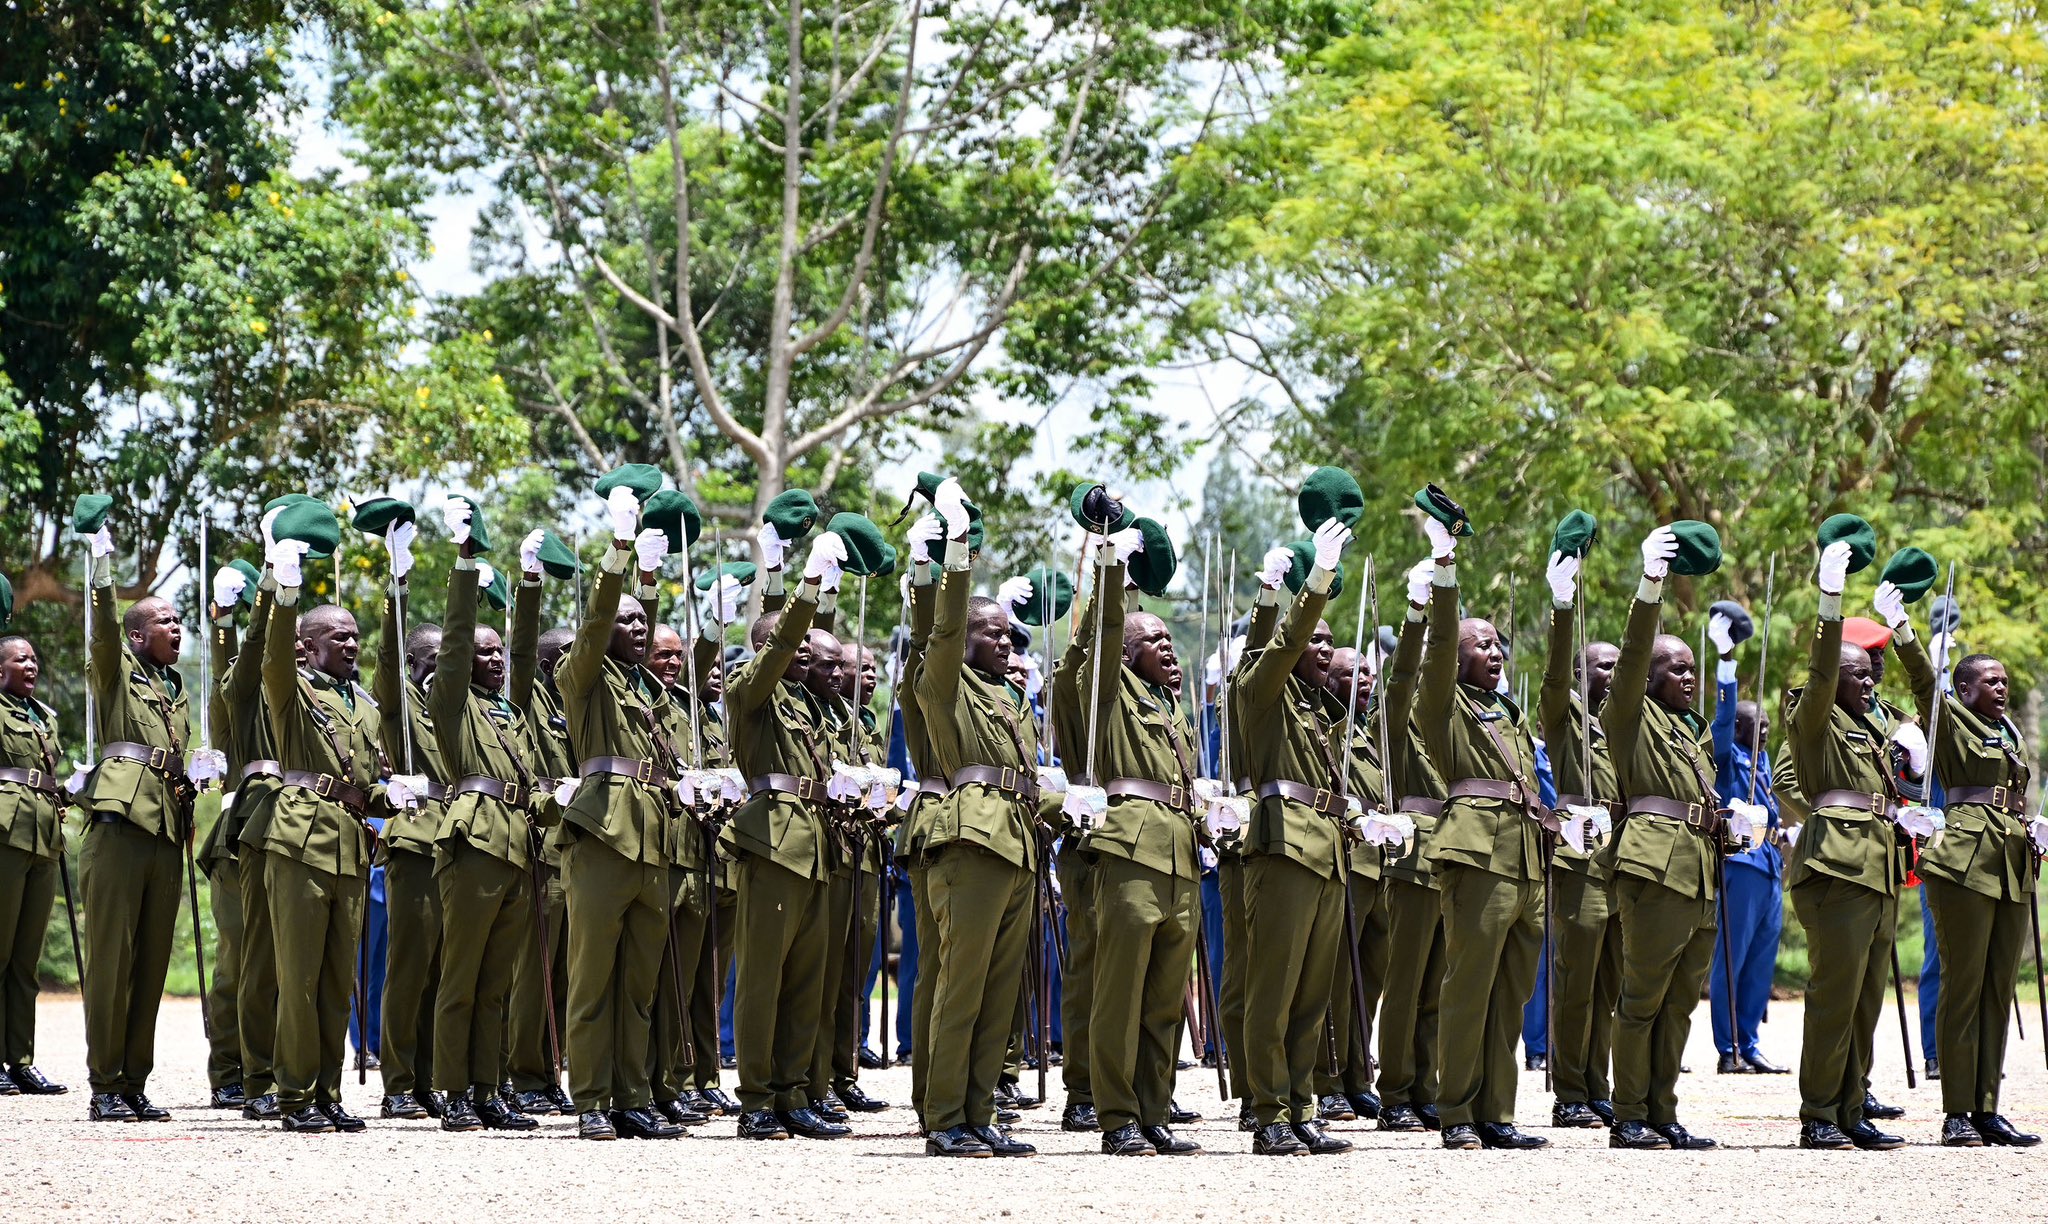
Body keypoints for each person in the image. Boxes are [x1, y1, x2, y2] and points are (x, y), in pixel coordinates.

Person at [1598, 526, 1750, 1151]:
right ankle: (1628, 1113)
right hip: (1654, 867)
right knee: (1642, 997)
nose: (1689, 677)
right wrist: (1650, 585)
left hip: (1701, 869)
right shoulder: (1629, 714)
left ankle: (1662, 1110)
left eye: (1693, 668)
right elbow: (1632, 657)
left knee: (1681, 1000)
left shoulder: (1689, 733)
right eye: (1677, 668)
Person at [1882, 582, 2040, 1148]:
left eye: (2004, 681)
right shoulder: (1949, 721)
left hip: (2011, 859)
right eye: (1989, 681)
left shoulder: (2009, 734)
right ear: (1964, 688)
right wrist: (1904, 631)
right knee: (1963, 986)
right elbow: (1926, 682)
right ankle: (1956, 1111)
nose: (2000, 688)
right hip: (1966, 861)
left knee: (1999, 986)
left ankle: (1988, 1107)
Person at [913, 477, 1045, 1158]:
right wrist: (957, 548)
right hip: (970, 835)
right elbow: (942, 623)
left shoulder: (1009, 698)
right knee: (961, 987)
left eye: (1008, 634)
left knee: (999, 995)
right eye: (989, 633)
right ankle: (943, 1119)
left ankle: (979, 1110)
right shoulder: (944, 682)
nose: (1004, 642)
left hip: (1017, 841)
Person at [553, 496, 684, 1142]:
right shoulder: (584, 679)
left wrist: (649, 579)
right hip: (602, 832)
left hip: (649, 839)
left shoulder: (644, 690)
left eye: (644, 624)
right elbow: (605, 616)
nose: (637, 630)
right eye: (624, 624)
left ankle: (633, 1094)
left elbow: (640, 617)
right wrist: (619, 553)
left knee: (639, 981)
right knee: (593, 976)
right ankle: (593, 1097)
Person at [1414, 514, 1547, 1151]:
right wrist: (1445, 575)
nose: (1492, 654)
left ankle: (1498, 1111)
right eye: (1481, 645)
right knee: (1468, 987)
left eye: (1497, 645)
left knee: (1511, 993)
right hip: (1476, 851)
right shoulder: (1443, 706)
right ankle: (1457, 1112)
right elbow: (1438, 654)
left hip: (1525, 856)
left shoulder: (1509, 713)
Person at [1783, 537, 1912, 1151]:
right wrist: (1830, 599)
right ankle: (1818, 1113)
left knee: (1866, 998)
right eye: (1854, 676)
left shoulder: (1875, 726)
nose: (1866, 685)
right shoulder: (1815, 722)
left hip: (1881, 865)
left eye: (1869, 676)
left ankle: (1852, 1104)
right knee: (1836, 994)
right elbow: (1821, 671)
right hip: (1837, 865)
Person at [1074, 549, 1203, 1157]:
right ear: (1126, 655)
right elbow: (1098, 639)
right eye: (1154, 640)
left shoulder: (1171, 708)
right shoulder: (1110, 691)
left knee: (1163, 998)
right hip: (1129, 847)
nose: (1169, 648)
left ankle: (1155, 1110)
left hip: (1180, 853)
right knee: (1119, 993)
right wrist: (1110, 574)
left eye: (1171, 639)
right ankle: (1117, 1114)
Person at [427, 514, 553, 1133]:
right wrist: (464, 566)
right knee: (463, 974)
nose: (497, 660)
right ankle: (452, 1088)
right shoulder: (453, 703)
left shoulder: (509, 708)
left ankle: (488, 1086)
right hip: (473, 836)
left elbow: (525, 650)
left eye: (497, 650)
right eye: (486, 653)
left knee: (498, 977)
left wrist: (528, 584)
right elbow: (452, 646)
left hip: (515, 841)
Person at [1234, 520, 1355, 1156]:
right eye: (1317, 641)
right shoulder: (1262, 696)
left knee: (1312, 992)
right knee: (1274, 989)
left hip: (1327, 849)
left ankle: (1301, 1103)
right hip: (1283, 846)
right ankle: (1267, 1109)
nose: (1326, 650)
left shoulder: (1318, 710)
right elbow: (1273, 653)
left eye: (1332, 643)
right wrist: (1309, 587)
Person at [723, 525, 846, 1141]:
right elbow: (774, 649)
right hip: (772, 842)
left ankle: (796, 1092)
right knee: (764, 979)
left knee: (805, 980)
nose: (803, 657)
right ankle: (755, 1097)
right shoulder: (750, 691)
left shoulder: (807, 706)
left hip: (815, 844)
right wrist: (799, 588)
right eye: (792, 649)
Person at [260, 531, 386, 1133]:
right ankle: (293, 1093)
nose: (352, 644)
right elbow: (272, 658)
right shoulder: (292, 690)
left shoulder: (364, 705)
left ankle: (329, 1091)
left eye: (356, 636)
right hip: (302, 837)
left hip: (351, 843)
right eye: (340, 636)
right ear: (308, 647)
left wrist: (394, 795)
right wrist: (285, 589)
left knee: (340, 980)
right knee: (300, 977)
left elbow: (371, 775)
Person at [78, 512, 191, 1123]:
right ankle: (103, 1082)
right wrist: (101, 569)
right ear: (137, 636)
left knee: (149, 964)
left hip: (166, 828)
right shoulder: (116, 673)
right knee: (112, 960)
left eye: (179, 621)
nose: (176, 628)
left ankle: (134, 1081)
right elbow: (100, 633)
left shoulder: (174, 690)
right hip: (120, 826)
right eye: (164, 622)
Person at [1536, 550, 1621, 1129]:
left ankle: (1598, 1082)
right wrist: (1563, 606)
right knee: (1577, 978)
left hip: (1626, 856)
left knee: (1612, 980)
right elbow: (1553, 675)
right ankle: (1570, 1090)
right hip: (1580, 852)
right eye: (1603, 668)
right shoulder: (1568, 717)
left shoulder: (1633, 722)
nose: (1613, 676)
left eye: (1620, 666)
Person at [1376, 561, 1448, 1134]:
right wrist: (1417, 618)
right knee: (1405, 983)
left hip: (1457, 860)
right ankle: (1396, 1089)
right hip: (1416, 858)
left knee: (1437, 984)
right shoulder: (1400, 719)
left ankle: (1427, 1087)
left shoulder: (1457, 725)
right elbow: (1400, 680)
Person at [373, 584, 449, 1121]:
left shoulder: (459, 708)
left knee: (442, 970)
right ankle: (398, 1083)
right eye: (435, 661)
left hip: (458, 840)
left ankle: (428, 1080)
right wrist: (397, 590)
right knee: (410, 968)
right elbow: (383, 663)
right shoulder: (403, 704)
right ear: (414, 664)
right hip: (418, 837)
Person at [1706, 610, 1789, 1075]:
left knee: (1760, 958)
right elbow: (1720, 717)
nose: (1765, 732)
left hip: (1770, 865)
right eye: (1757, 726)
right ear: (1738, 729)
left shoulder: (1765, 763)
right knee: (1733, 959)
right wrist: (1727, 663)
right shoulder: (1725, 756)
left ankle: (1749, 1042)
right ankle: (1727, 1047)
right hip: (1740, 862)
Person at [505, 610, 574, 1118]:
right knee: (537, 971)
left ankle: (553, 1066)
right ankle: (525, 1073)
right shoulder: (528, 702)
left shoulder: (583, 705)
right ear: (551, 666)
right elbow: (520, 657)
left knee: (569, 973)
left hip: (583, 848)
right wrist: (530, 588)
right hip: (545, 847)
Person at [1316, 644, 1389, 1124]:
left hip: (1381, 865)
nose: (1364, 680)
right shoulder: (1326, 729)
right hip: (1345, 862)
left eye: (1367, 673)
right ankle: (1328, 1080)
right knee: (1335, 981)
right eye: (1350, 673)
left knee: (1371, 980)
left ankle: (1358, 1075)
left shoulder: (1371, 734)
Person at [0, 632, 68, 1097]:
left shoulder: (43, 718)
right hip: (4, 832)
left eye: (34, 658)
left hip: (43, 836)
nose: (32, 664)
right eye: (21, 658)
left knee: (26, 959)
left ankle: (20, 1059)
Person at [828, 641, 890, 1114]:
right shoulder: (827, 718)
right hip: (830, 855)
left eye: (874, 670)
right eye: (860, 668)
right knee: (825, 973)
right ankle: (817, 1075)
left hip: (865, 854)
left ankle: (843, 1068)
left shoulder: (869, 726)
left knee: (856, 972)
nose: (870, 677)